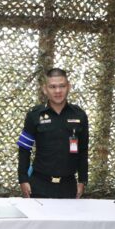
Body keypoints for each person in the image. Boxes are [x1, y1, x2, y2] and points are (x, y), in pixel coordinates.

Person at [17, 68, 88, 199]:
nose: (58, 91)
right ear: (45, 89)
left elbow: (83, 150)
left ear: (68, 87)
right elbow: (24, 149)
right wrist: (23, 179)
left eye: (62, 86)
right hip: (39, 185)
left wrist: (82, 180)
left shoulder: (79, 115)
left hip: (68, 186)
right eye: (52, 87)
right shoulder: (34, 115)